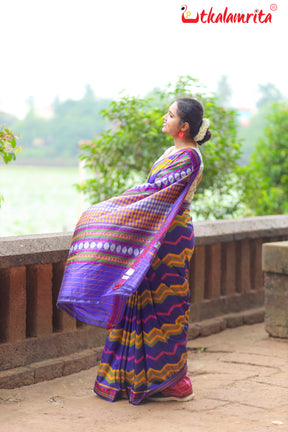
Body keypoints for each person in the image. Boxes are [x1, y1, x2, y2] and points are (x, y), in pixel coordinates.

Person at [57, 97, 211, 405]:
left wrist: (111, 209)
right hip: (154, 236)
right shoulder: (172, 152)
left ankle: (172, 381)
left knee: (165, 307)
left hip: (169, 241)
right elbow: (149, 193)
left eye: (170, 115)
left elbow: (154, 195)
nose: (164, 118)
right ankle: (132, 378)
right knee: (137, 304)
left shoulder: (189, 158)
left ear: (183, 127)